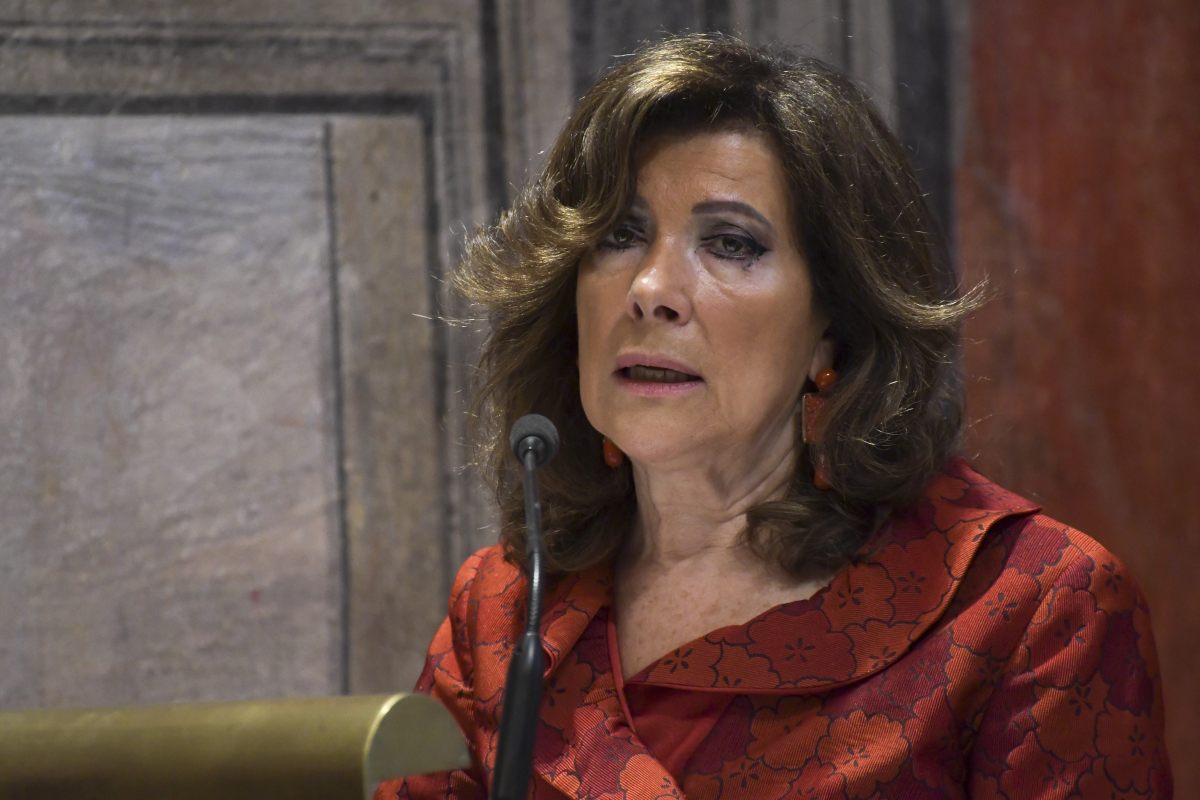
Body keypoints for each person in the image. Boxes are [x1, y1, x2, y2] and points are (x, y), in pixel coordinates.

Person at [379, 33, 1172, 799]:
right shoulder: (504, 607)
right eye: (620, 234)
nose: (651, 289)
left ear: (833, 320)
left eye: (730, 243)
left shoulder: (1033, 605)